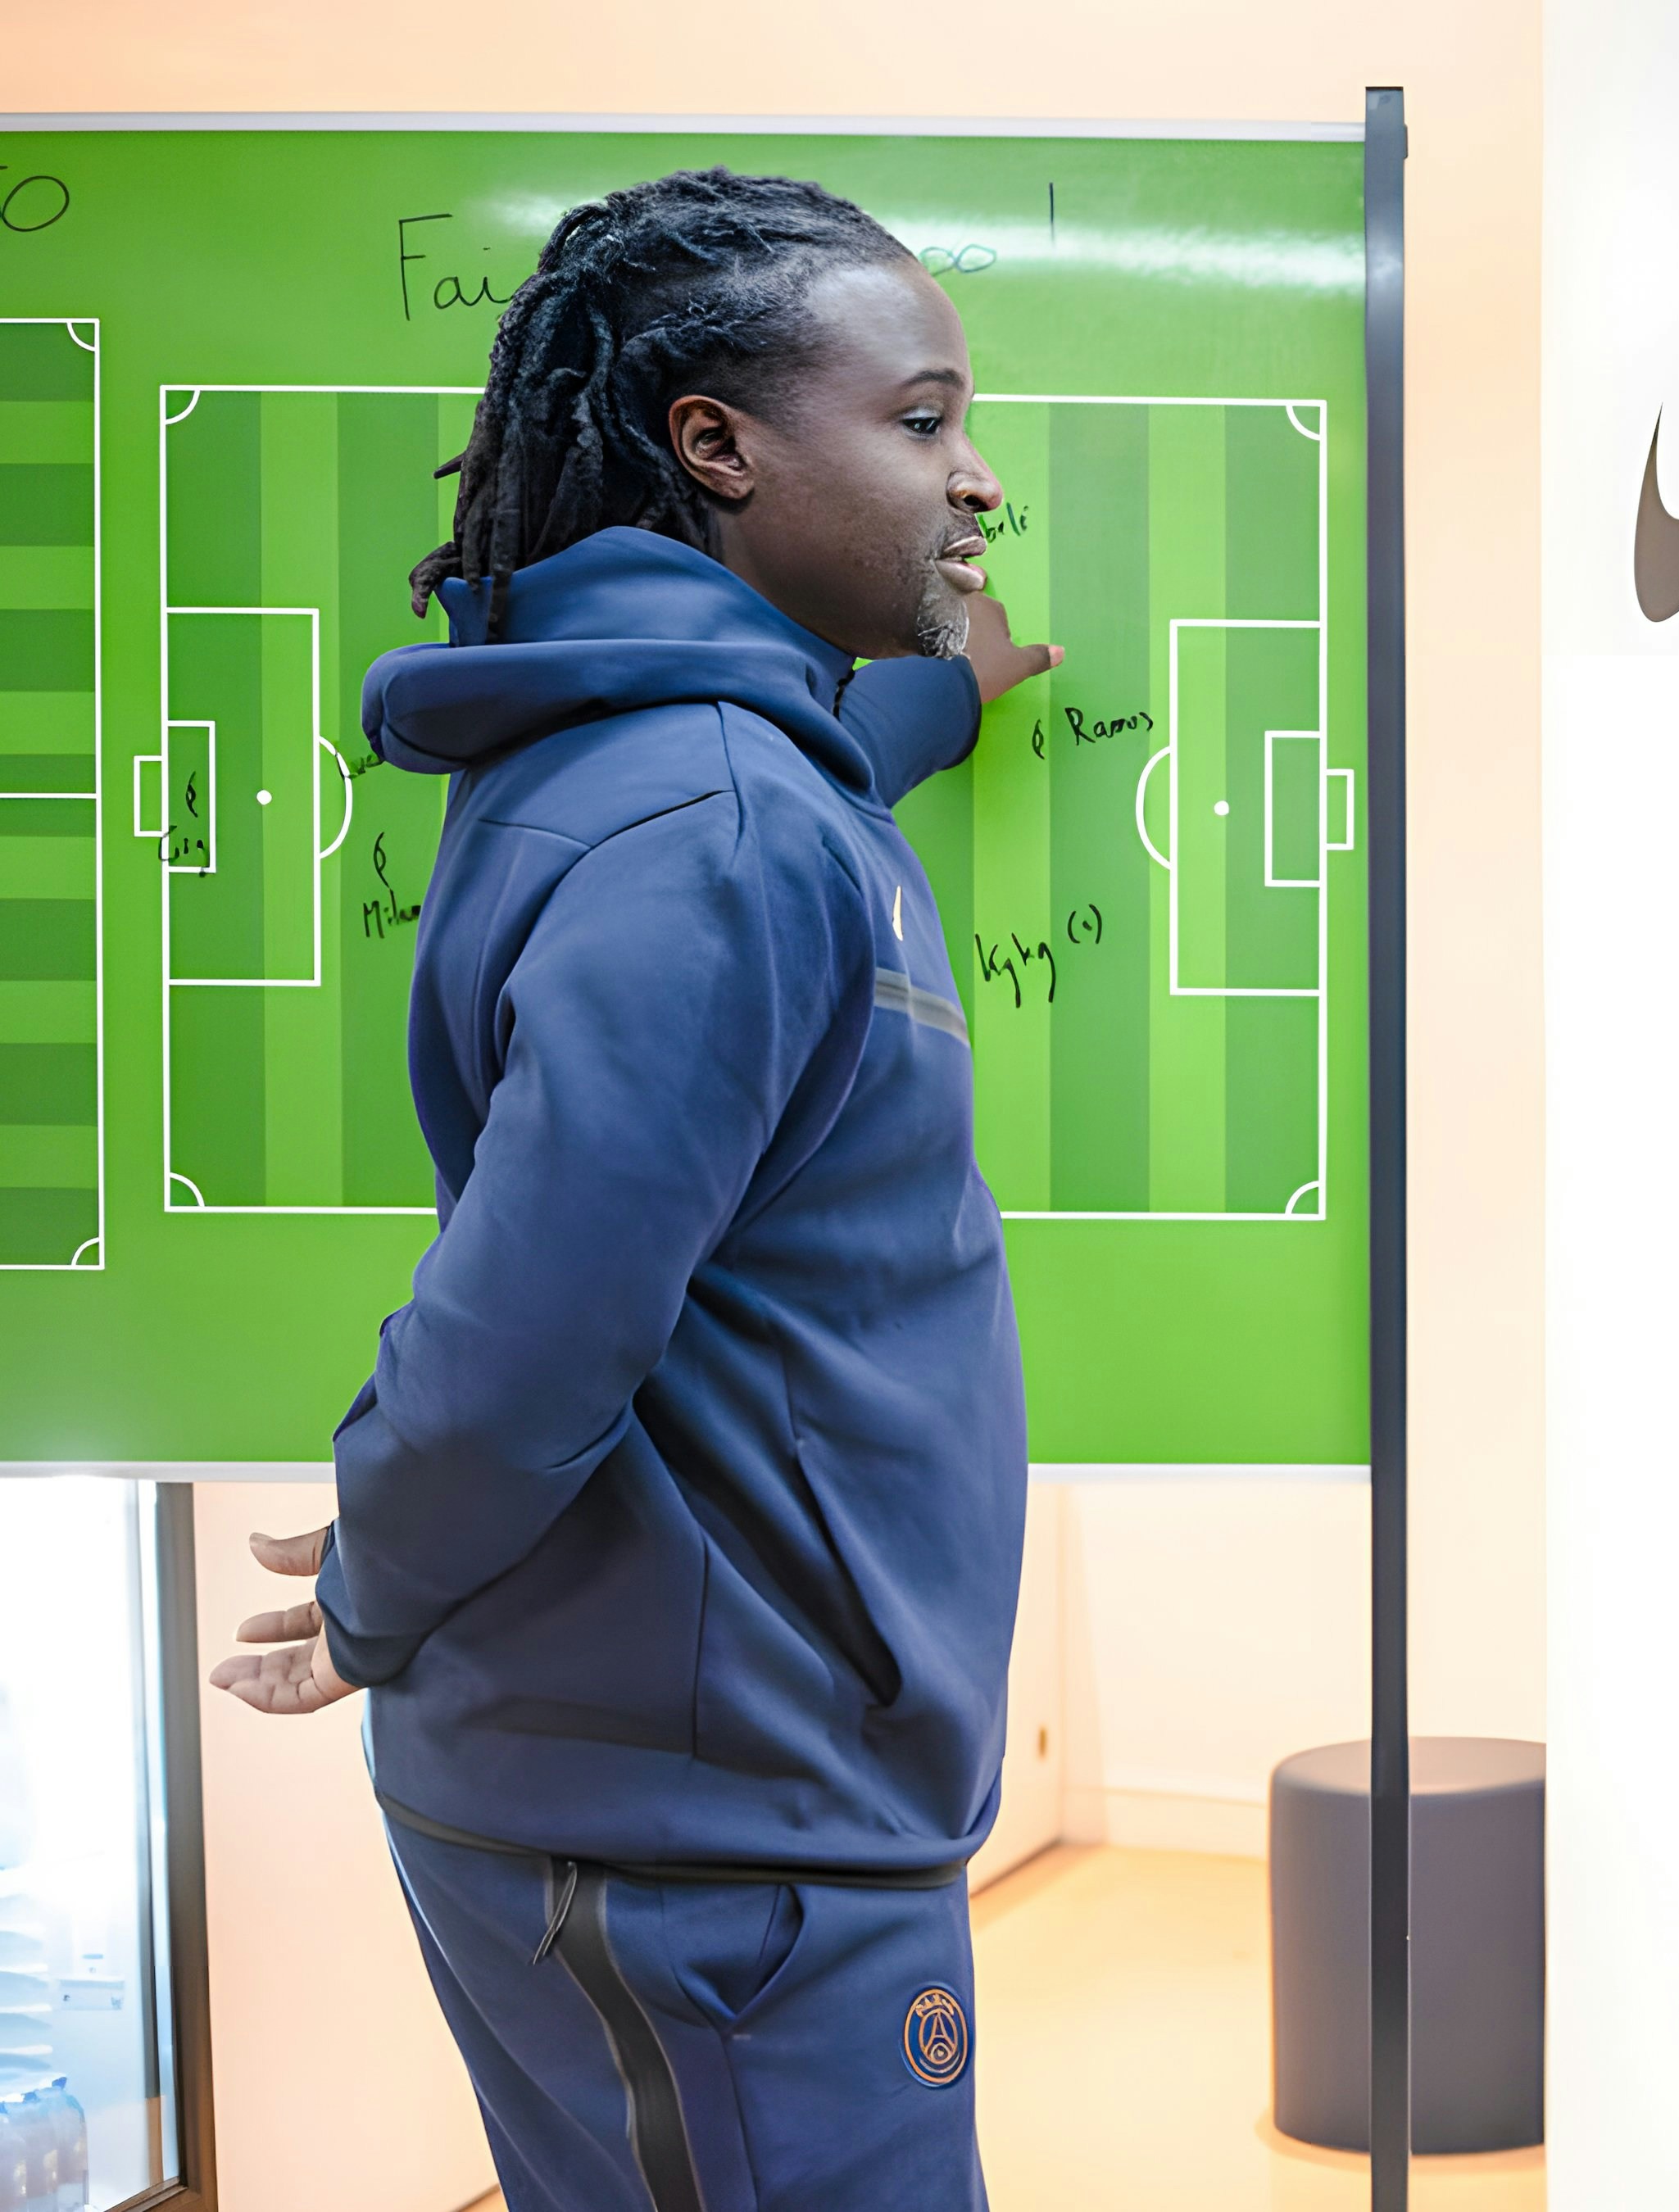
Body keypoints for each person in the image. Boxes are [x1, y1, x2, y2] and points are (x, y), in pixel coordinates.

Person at [204, 168, 1060, 2212]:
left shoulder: (697, 765)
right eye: (922, 421)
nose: (977, 480)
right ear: (716, 444)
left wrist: (942, 688)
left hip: (704, 1797)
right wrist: (372, 1591)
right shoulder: (721, 831)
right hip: (704, 1847)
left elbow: (818, 755)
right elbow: (523, 1343)